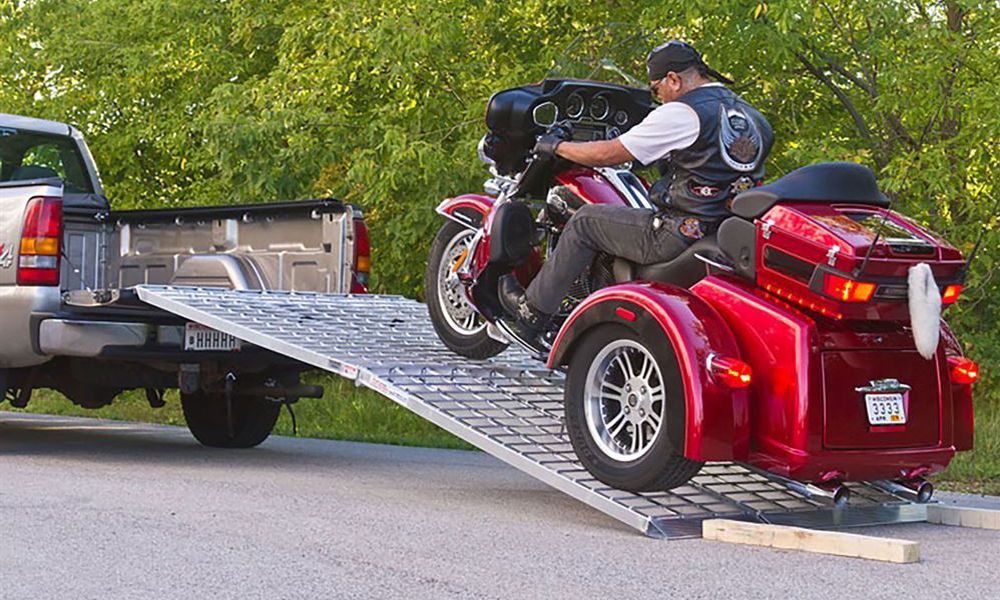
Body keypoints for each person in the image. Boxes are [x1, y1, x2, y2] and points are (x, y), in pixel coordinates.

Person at [499, 40, 774, 350]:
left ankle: (530, 315)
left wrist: (556, 147)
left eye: (657, 88)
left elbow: (608, 153)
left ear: (674, 79)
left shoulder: (683, 112)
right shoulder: (750, 115)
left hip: (677, 232)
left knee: (586, 220)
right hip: (723, 228)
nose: (659, 96)